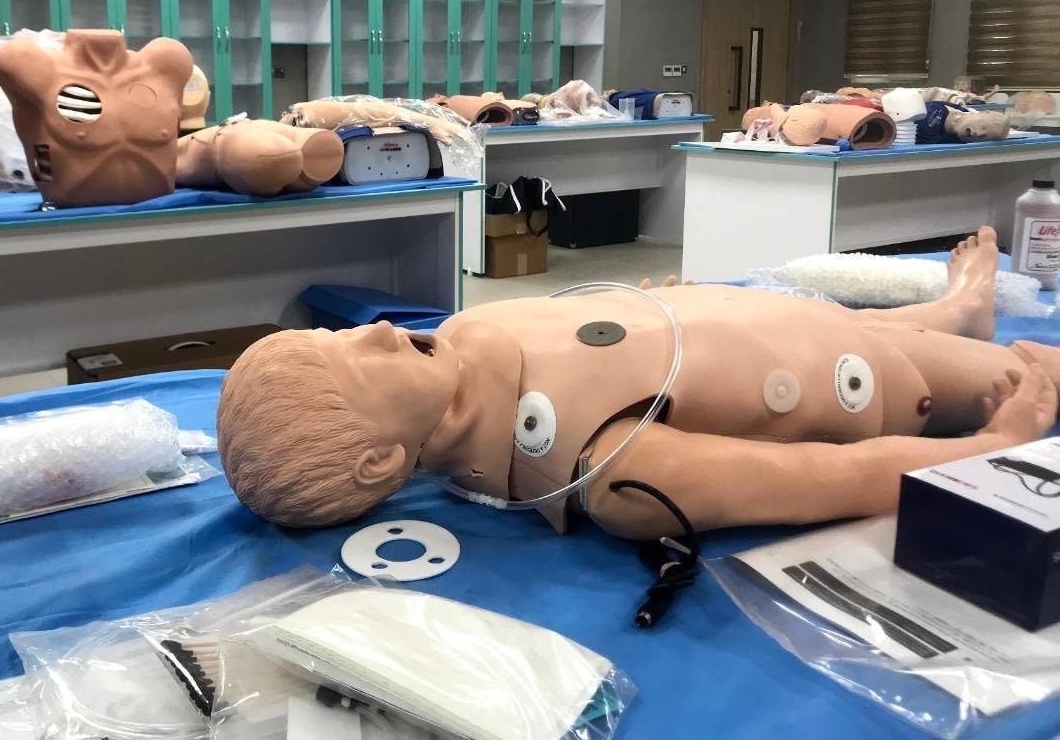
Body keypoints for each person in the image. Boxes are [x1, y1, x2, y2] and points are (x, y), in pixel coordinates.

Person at [218, 227, 1058, 541]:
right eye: (358, 360)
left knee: (915, 325)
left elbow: (595, 327)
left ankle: (957, 310)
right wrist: (994, 445)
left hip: (807, 324)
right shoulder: (602, 470)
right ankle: (956, 323)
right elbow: (827, 477)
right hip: (874, 380)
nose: (374, 328)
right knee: (1034, 374)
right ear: (379, 462)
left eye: (339, 332)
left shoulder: (466, 338)